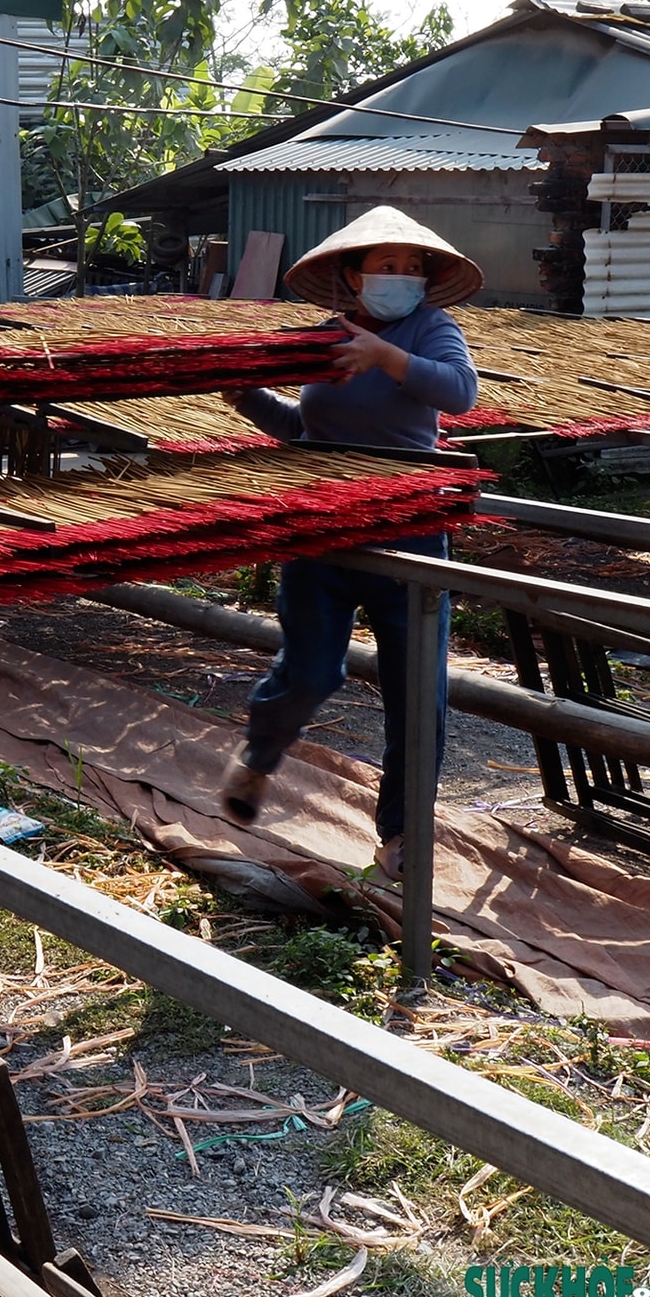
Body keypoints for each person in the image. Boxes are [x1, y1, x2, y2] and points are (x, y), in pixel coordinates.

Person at [216, 206, 482, 880]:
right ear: (352, 277)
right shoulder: (323, 338)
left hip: (409, 530)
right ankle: (259, 756)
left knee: (417, 690)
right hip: (325, 529)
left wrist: (387, 357)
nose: (401, 278)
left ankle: (401, 832)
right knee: (310, 671)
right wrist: (246, 397)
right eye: (386, 267)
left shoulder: (432, 327)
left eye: (412, 268)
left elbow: (460, 393)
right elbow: (305, 430)